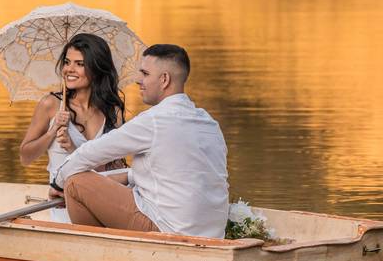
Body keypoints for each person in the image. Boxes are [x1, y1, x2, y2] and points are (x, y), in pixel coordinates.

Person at [50, 44, 229, 238]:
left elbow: (89, 153)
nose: (138, 80)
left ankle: (98, 252)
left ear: (164, 79)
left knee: (76, 182)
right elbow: (175, 174)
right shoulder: (209, 123)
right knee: (98, 179)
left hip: (168, 229)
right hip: (212, 233)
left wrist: (58, 184)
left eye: (144, 74)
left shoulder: (154, 120)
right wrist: (123, 177)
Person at [19, 33, 127, 222]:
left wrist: (72, 148)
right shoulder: (50, 105)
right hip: (63, 203)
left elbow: (114, 167)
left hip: (104, 201)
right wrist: (52, 132)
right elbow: (25, 157)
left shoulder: (112, 110)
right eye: (67, 62)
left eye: (79, 64)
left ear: (97, 67)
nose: (69, 69)